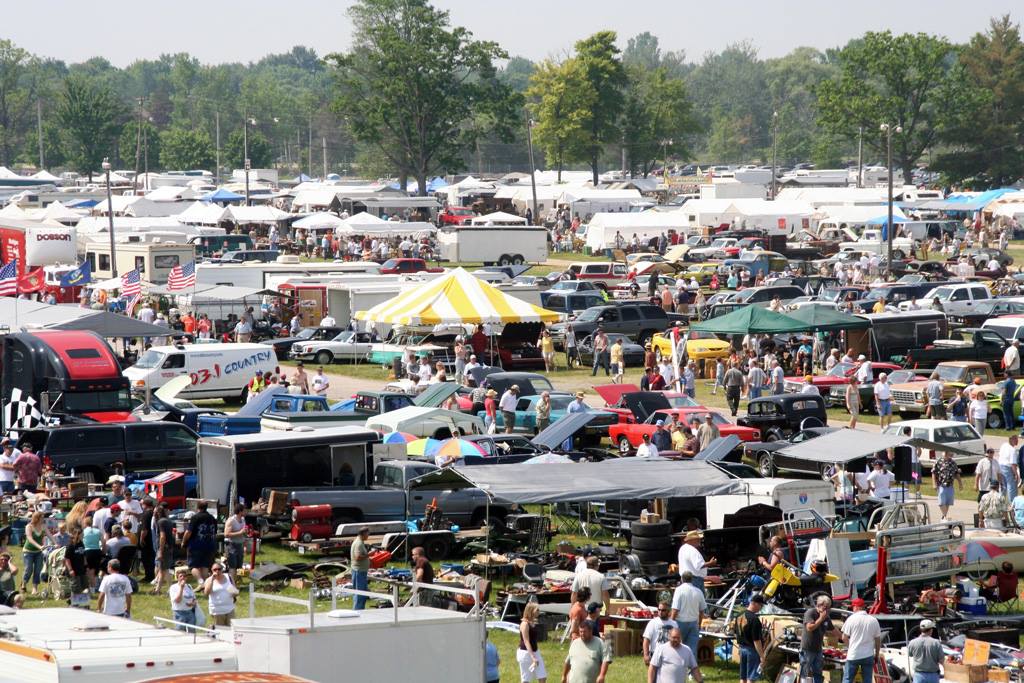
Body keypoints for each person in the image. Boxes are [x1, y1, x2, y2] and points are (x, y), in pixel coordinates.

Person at [841, 597, 881, 683]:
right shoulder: (873, 620)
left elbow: (844, 637)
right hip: (868, 655)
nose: (853, 609)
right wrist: (876, 654)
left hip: (854, 655)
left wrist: (850, 646)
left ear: (857, 607)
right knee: (867, 680)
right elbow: (878, 640)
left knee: (848, 679)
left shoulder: (851, 619)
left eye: (853, 607)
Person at [801, 595, 838, 683]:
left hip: (818, 649)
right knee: (805, 672)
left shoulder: (827, 617)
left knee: (818, 672)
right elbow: (809, 628)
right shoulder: (810, 613)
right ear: (819, 605)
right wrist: (821, 619)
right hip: (807, 649)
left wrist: (845, 638)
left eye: (829, 608)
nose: (828, 610)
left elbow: (833, 630)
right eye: (826, 607)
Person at [669, 571, 705, 657]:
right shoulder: (698, 591)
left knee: (678, 647)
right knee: (692, 649)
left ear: (682, 579)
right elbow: (702, 610)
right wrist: (699, 623)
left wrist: (671, 623)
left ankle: (679, 667)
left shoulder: (679, 590)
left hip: (680, 622)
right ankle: (692, 669)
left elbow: (675, 609)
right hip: (694, 622)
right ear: (692, 579)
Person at [181, 500, 217, 580]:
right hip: (209, 545)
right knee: (205, 566)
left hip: (196, 545)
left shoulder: (195, 517)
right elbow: (215, 533)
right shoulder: (212, 518)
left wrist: (183, 542)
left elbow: (188, 532)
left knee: (193, 566)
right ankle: (204, 585)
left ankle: (201, 582)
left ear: (198, 507)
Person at [735, 594, 766, 683]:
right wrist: (762, 656)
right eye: (761, 605)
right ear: (755, 604)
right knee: (751, 678)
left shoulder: (739, 615)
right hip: (752, 650)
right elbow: (756, 640)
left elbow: (736, 633)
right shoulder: (755, 619)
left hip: (742, 648)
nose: (761, 607)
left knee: (743, 677)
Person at [21, 511, 51, 595]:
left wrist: (56, 543)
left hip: (38, 552)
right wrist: (39, 546)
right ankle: (23, 583)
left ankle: (35, 588)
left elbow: (50, 535)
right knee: (28, 569)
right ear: (37, 518)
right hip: (28, 552)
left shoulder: (43, 526)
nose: (43, 519)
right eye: (42, 518)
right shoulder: (28, 526)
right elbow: (30, 539)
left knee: (37, 570)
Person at [906, 619, 943, 683]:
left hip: (918, 676)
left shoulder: (912, 642)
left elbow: (910, 654)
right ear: (931, 630)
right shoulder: (936, 643)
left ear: (920, 629)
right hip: (933, 675)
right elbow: (941, 660)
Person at [518, 602, 547, 683]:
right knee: (526, 679)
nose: (538, 612)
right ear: (531, 610)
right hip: (526, 653)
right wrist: (533, 657)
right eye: (537, 610)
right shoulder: (524, 624)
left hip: (535, 651)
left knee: (542, 676)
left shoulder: (532, 622)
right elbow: (526, 641)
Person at [203, 561, 238, 627]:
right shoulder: (208, 580)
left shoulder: (229, 577)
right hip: (217, 611)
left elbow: (235, 592)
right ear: (212, 570)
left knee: (232, 630)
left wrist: (232, 591)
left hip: (230, 609)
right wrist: (212, 580)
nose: (217, 571)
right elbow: (206, 593)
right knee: (221, 631)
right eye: (215, 569)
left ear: (222, 570)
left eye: (219, 569)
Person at [643, 601, 677, 665]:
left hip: (669, 655)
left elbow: (678, 640)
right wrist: (646, 655)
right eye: (659, 609)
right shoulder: (652, 622)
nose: (660, 612)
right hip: (655, 654)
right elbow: (646, 640)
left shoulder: (674, 624)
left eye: (663, 610)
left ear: (668, 611)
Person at [933, 450, 962, 520]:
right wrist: (934, 484)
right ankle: (945, 517)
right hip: (941, 485)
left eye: (950, 453)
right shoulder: (938, 462)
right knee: (941, 502)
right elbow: (933, 473)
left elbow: (957, 473)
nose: (951, 454)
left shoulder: (953, 462)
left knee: (948, 502)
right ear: (944, 453)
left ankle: (944, 516)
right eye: (950, 452)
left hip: (950, 485)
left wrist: (960, 484)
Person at [153, 504, 175, 594]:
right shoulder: (168, 521)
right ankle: (158, 589)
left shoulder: (160, 522)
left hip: (164, 547)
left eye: (154, 512)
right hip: (169, 546)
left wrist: (160, 551)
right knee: (163, 569)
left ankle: (170, 589)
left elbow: (162, 536)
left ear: (157, 513)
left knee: (164, 569)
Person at [224, 504, 247, 583]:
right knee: (233, 566)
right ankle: (232, 583)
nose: (246, 511)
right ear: (240, 511)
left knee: (240, 565)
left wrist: (245, 545)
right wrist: (240, 532)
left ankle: (239, 580)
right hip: (231, 545)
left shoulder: (243, 519)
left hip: (240, 544)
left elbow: (243, 533)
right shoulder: (231, 520)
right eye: (244, 510)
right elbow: (226, 534)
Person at [350, 527, 370, 610]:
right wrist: (369, 554)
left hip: (359, 570)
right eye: (367, 534)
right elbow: (358, 557)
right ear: (363, 534)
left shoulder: (359, 542)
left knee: (359, 593)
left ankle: (359, 610)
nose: (368, 536)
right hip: (359, 572)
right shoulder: (359, 543)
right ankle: (358, 611)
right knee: (360, 594)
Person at [1000, 435, 1021, 502]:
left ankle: (1000, 503)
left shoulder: (1004, 445)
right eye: (1016, 439)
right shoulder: (1013, 450)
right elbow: (1013, 464)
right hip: (1008, 468)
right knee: (1011, 487)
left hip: (1000, 467)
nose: (1017, 441)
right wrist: (1016, 474)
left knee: (1003, 487)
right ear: (1012, 440)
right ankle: (1012, 504)